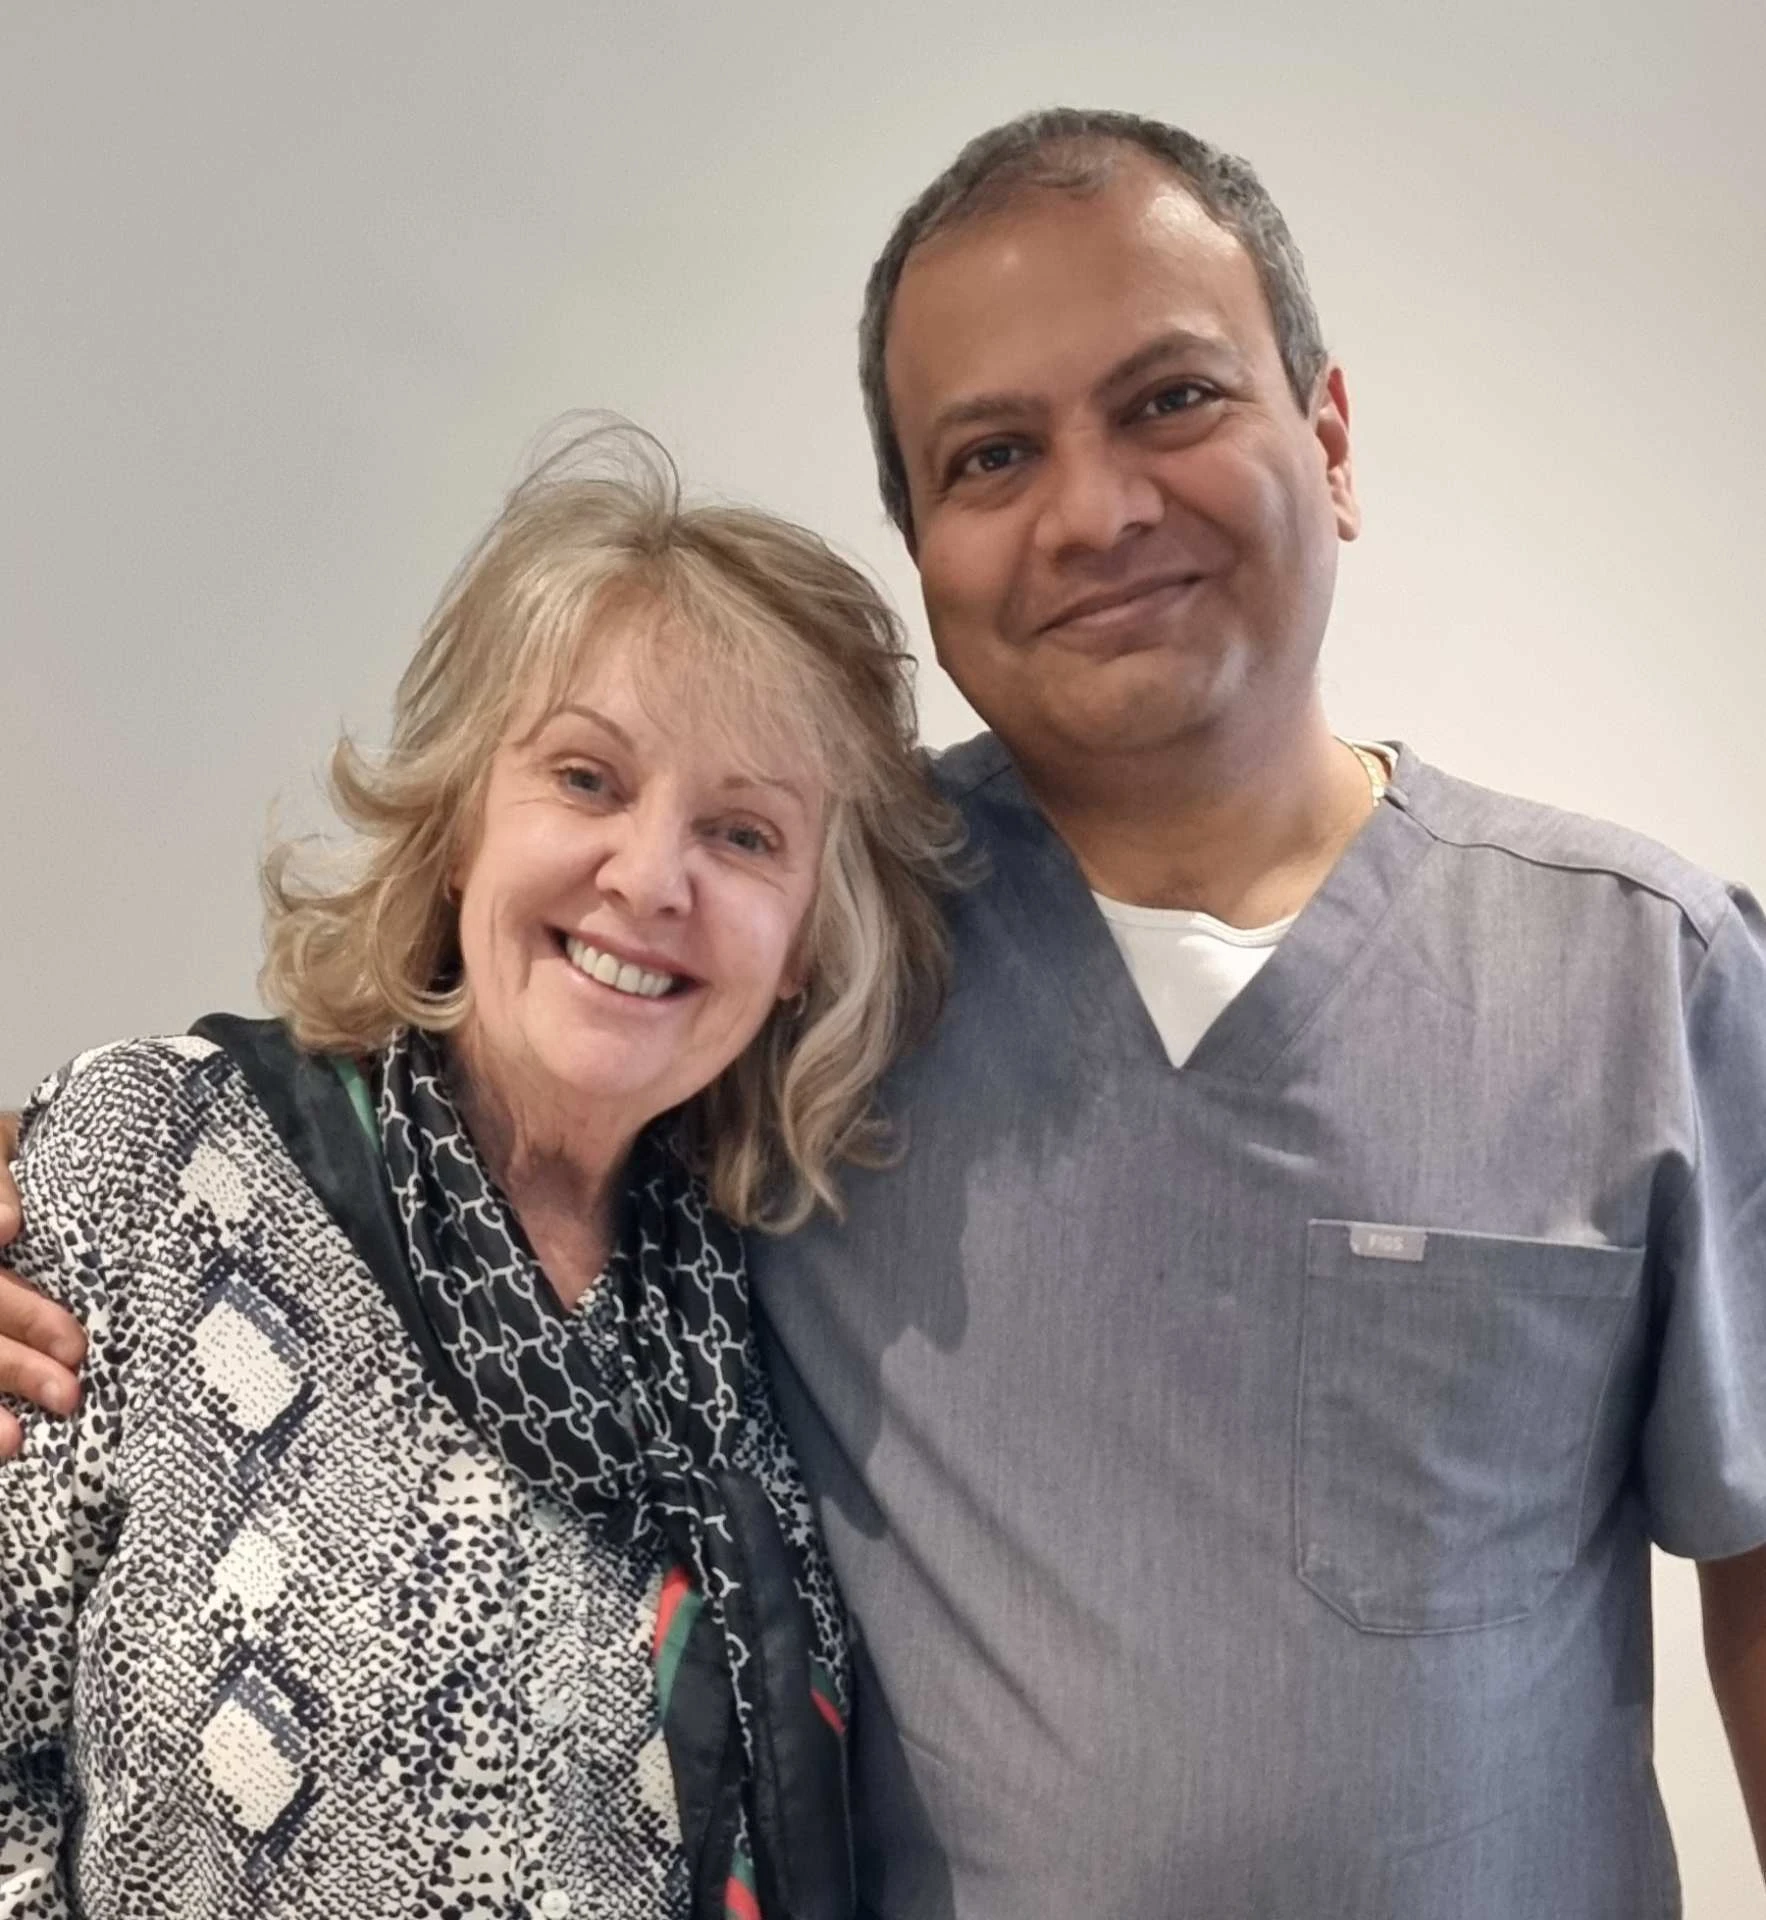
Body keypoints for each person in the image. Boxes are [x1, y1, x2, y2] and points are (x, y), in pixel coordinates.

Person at [6, 105, 1766, 1919]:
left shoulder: (1646, 975)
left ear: (1325, 439)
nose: (1094, 509)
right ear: (926, 541)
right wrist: (54, 1178)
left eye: (1170, 400)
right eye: (992, 453)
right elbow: (416, 1121)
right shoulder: (828, 964)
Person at [0, 428, 960, 1918]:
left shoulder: (794, 1310)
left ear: (801, 954)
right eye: (587, 778)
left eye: (742, 832)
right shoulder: (153, 1160)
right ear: (459, 828)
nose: (650, 878)